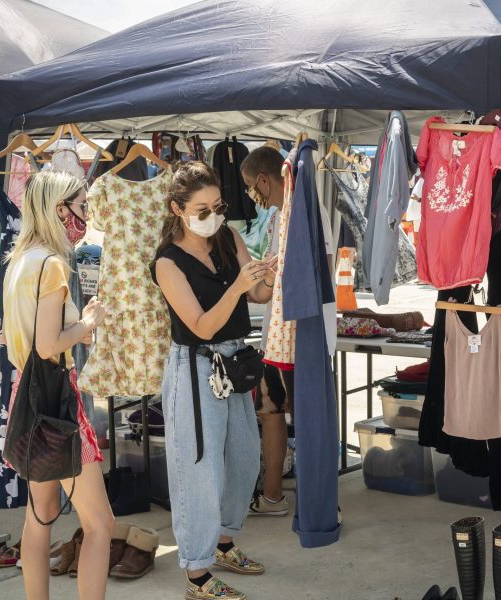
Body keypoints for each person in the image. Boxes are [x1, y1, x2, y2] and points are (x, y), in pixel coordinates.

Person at [151, 161, 272, 600]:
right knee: (198, 469)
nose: (213, 215)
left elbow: (258, 294)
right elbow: (200, 326)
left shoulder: (228, 238)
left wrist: (267, 275)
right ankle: (197, 574)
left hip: (235, 362)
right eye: (202, 209)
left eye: (218, 206)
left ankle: (223, 544)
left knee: (243, 458)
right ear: (178, 209)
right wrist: (240, 286)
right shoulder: (167, 263)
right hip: (195, 365)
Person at [2, 170, 112, 600]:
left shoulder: (21, 259)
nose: (85, 216)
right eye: (81, 207)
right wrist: (87, 324)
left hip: (25, 397)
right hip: (56, 400)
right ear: (58, 208)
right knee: (101, 524)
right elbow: (49, 345)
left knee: (40, 514)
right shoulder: (52, 265)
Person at [240, 146, 336, 517]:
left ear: (265, 179)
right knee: (270, 412)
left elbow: (321, 272)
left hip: (304, 338)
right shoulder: (280, 217)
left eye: (252, 186)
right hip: (275, 339)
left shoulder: (308, 212)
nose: (253, 194)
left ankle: (319, 505)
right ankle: (273, 496)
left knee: (308, 420)